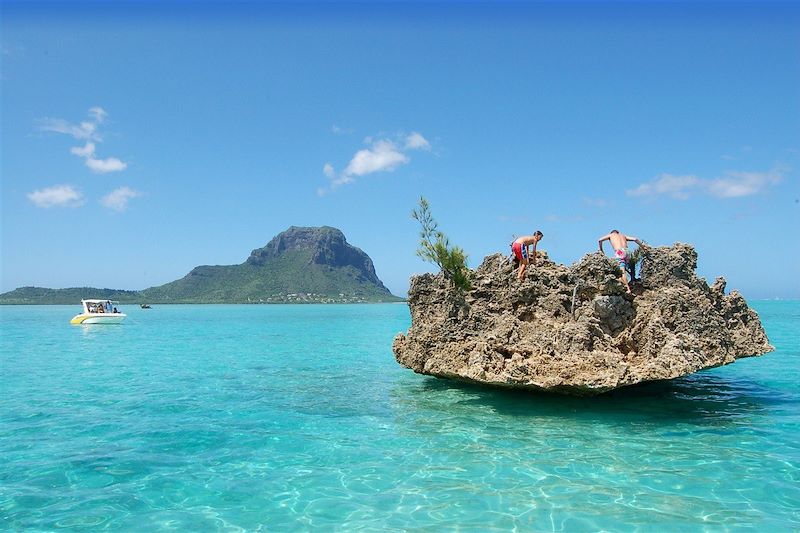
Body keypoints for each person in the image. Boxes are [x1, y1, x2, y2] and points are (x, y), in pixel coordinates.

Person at [598, 230, 643, 294]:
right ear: (618, 232)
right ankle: (633, 279)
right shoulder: (623, 236)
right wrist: (643, 247)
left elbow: (600, 240)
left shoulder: (611, 235)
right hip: (627, 252)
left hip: (619, 252)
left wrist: (601, 250)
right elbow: (635, 239)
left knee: (622, 272)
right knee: (631, 264)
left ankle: (628, 289)